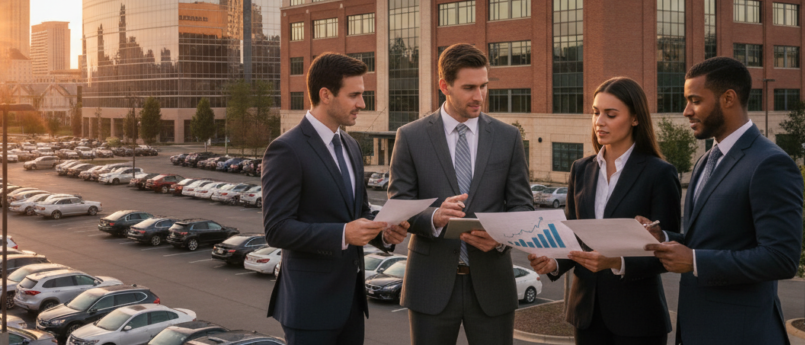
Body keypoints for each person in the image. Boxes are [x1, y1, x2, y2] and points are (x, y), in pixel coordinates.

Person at [643, 57, 803, 345]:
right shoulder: (706, 160)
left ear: (728, 98)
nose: (686, 111)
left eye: (695, 100)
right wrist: (663, 236)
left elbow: (781, 258)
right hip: (695, 330)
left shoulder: (770, 163)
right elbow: (708, 239)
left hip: (742, 333)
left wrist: (693, 261)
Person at [388, 43, 534, 345]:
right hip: (430, 284)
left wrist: (501, 237)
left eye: (483, 86)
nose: (479, 96)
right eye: (469, 87)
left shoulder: (508, 137)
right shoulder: (411, 136)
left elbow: (523, 206)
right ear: (444, 85)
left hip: (493, 283)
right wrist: (434, 218)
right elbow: (398, 204)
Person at [262, 52, 409, 345]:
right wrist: (343, 234)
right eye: (354, 95)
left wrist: (384, 232)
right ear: (325, 95)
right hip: (309, 308)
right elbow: (276, 229)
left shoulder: (352, 146)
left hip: (352, 305)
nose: (362, 104)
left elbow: (360, 212)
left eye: (362, 95)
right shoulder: (286, 150)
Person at [527, 77, 681, 345]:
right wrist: (554, 262)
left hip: (638, 318)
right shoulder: (581, 169)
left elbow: (670, 248)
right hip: (586, 314)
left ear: (635, 118)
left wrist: (617, 262)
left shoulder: (659, 173)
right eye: (596, 113)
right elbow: (574, 237)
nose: (599, 121)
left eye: (611, 114)